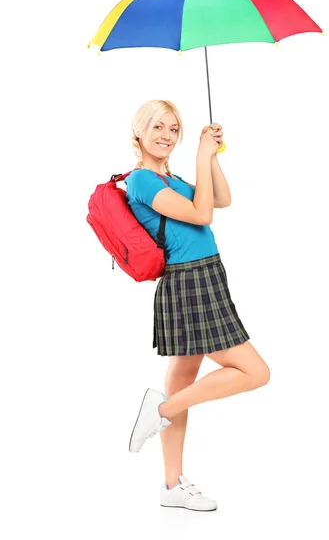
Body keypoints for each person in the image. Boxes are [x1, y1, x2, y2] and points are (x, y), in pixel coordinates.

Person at [125, 99, 270, 511]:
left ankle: (171, 485)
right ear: (139, 132)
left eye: (173, 129)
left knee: (183, 381)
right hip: (189, 281)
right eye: (158, 127)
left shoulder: (170, 178)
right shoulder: (142, 181)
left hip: (206, 275)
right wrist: (200, 155)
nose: (167, 135)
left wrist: (211, 155)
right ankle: (161, 409)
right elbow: (202, 215)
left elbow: (221, 199)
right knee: (256, 372)